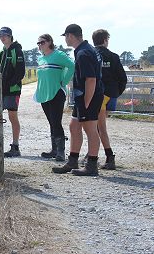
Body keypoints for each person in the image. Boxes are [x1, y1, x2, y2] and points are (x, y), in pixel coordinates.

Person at [52, 24, 104, 176]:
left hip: (89, 96)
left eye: (66, 36)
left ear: (71, 36)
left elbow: (91, 79)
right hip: (83, 96)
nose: (66, 39)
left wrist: (87, 103)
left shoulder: (83, 53)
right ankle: (72, 160)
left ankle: (92, 165)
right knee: (74, 126)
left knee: (90, 129)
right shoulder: (84, 50)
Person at [34, 34, 75, 161]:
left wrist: (64, 81)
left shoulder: (58, 55)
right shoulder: (41, 59)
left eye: (42, 42)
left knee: (56, 122)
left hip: (57, 93)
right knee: (51, 122)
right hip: (44, 94)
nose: (40, 45)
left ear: (50, 42)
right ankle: (54, 149)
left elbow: (72, 66)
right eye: (38, 43)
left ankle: (61, 152)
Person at [92, 29, 127, 170]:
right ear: (105, 40)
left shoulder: (91, 55)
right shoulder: (113, 56)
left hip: (97, 95)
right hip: (109, 95)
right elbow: (122, 79)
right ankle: (94, 155)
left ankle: (108, 157)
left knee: (98, 127)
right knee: (97, 127)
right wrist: (115, 94)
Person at [0, 27, 25, 157]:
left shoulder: (17, 50)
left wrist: (9, 84)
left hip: (13, 91)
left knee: (12, 117)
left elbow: (20, 72)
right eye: (1, 36)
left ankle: (15, 145)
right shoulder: (1, 53)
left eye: (5, 36)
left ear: (10, 36)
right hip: (0, 90)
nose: (3, 38)